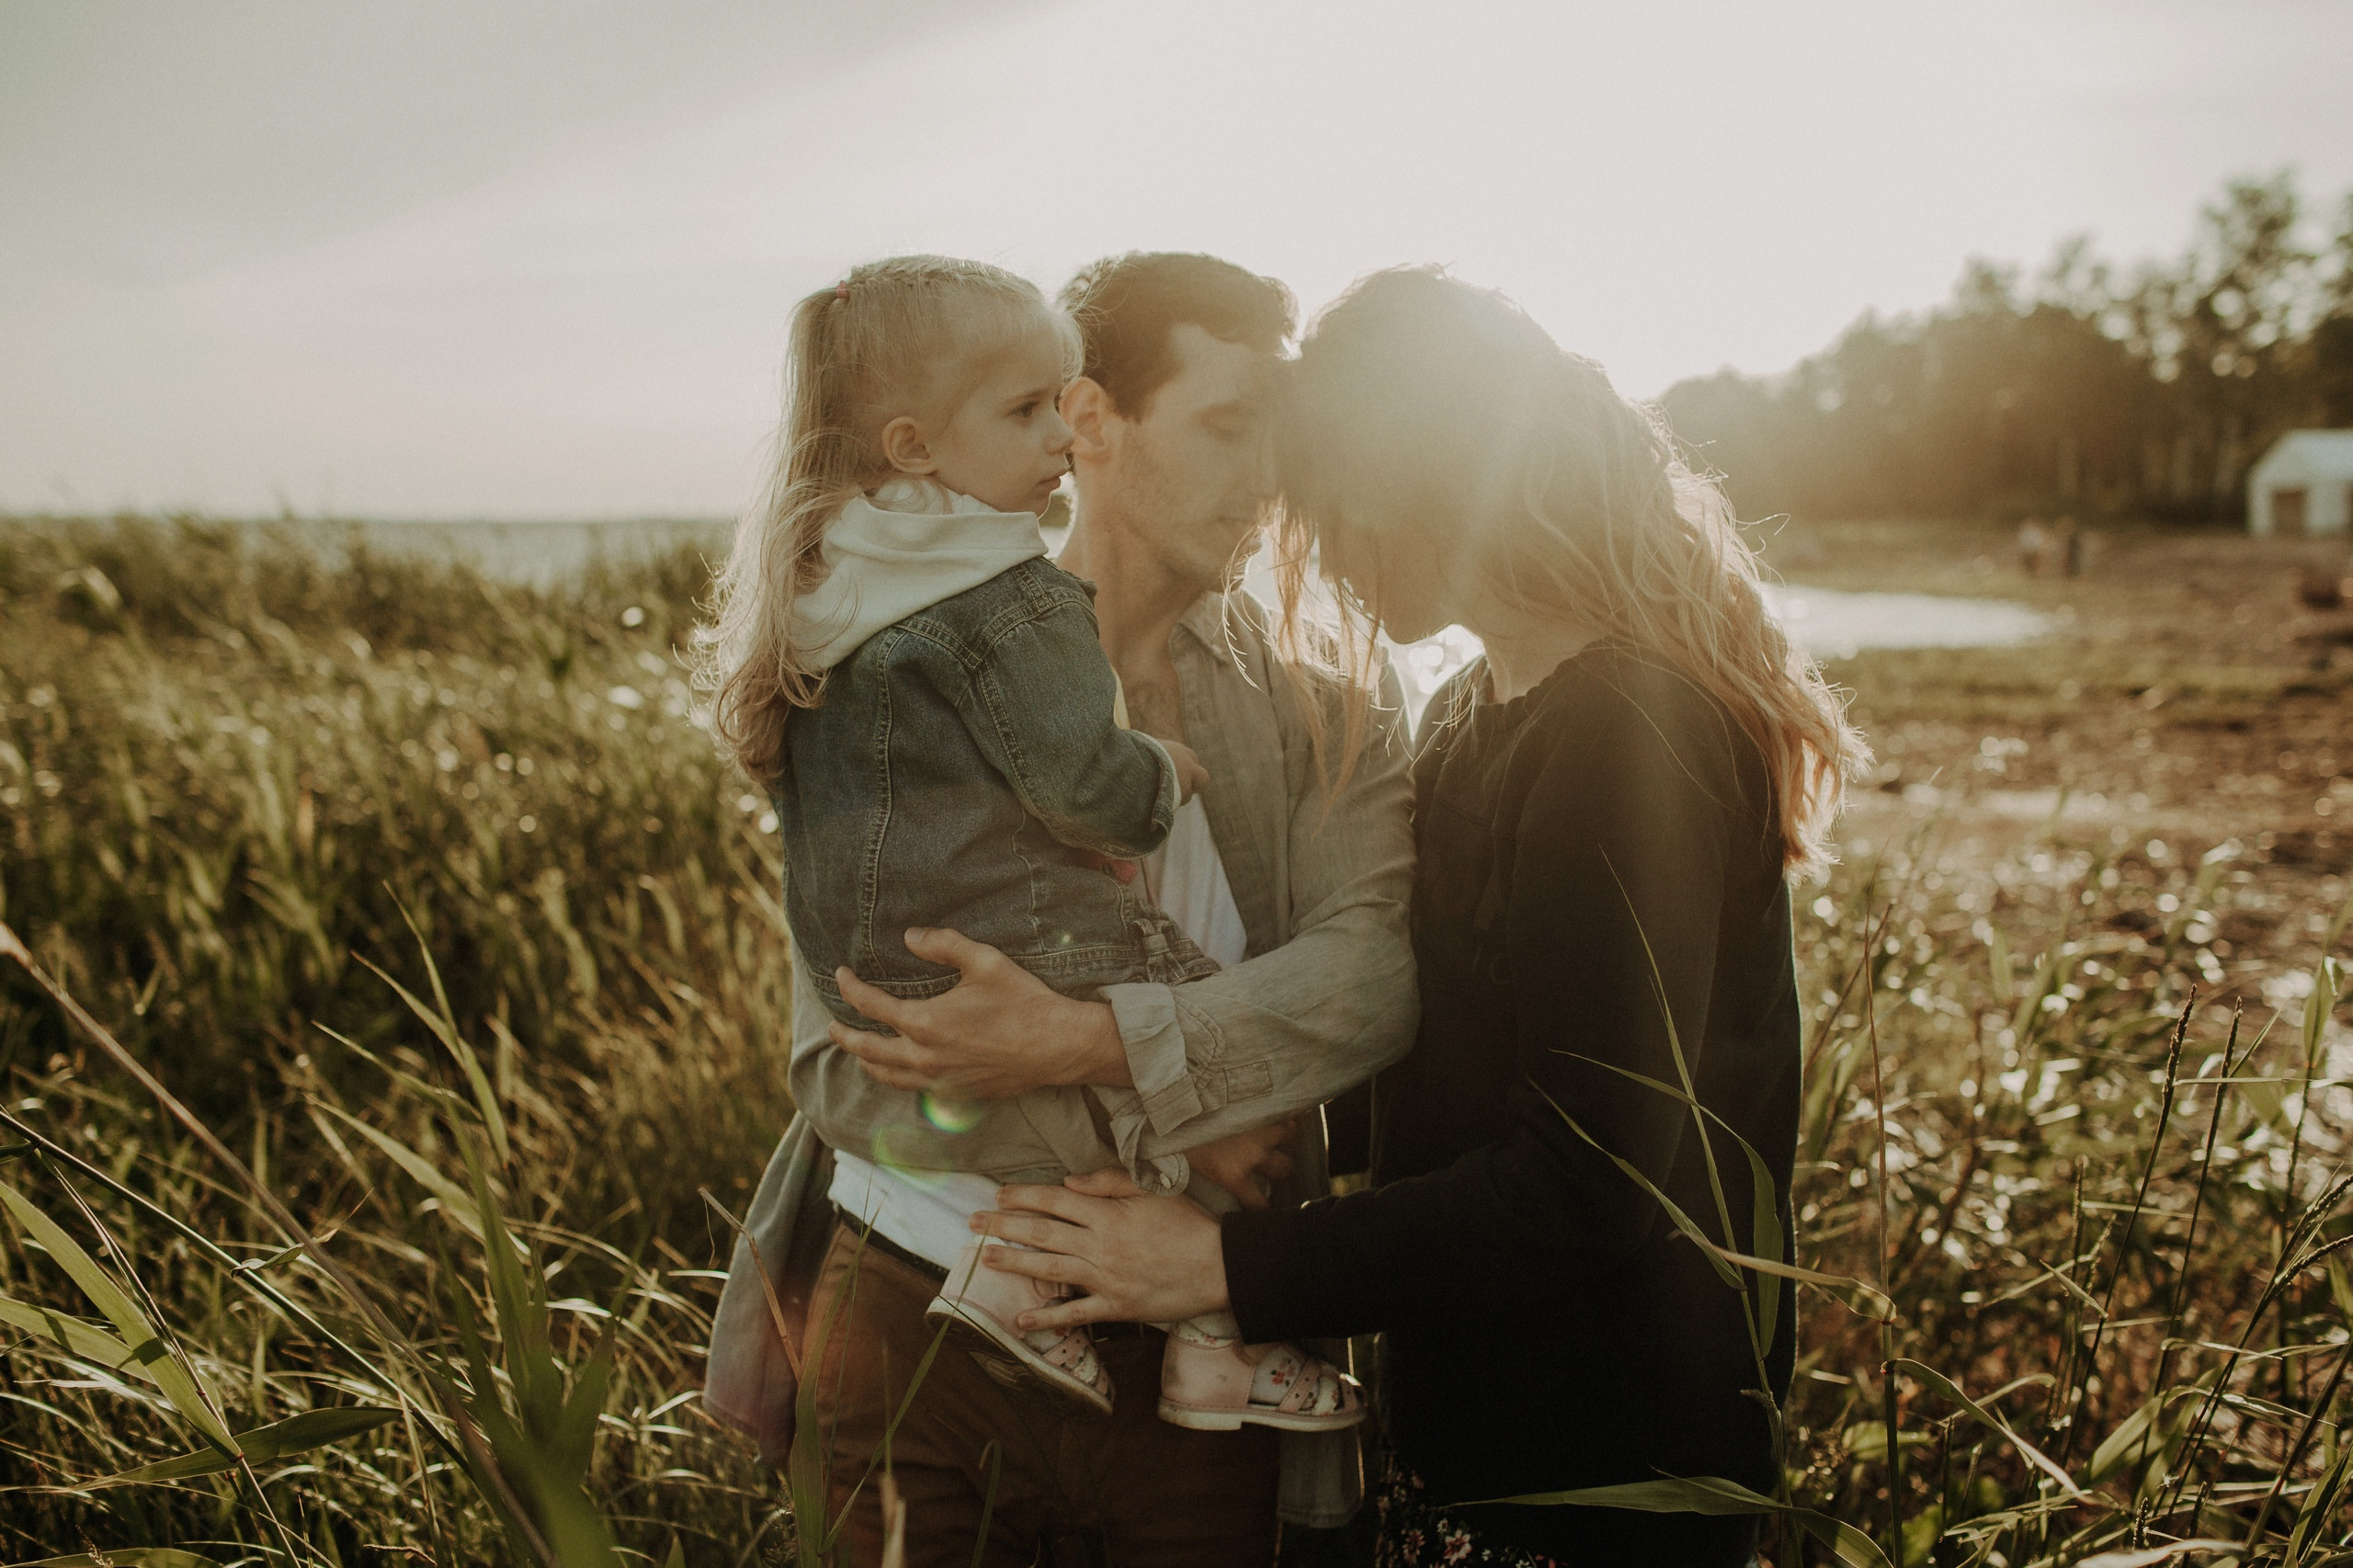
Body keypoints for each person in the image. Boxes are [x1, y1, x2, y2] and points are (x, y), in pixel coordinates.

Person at [975, 267, 1869, 1567]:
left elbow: (1595, 1173)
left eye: (1320, 489)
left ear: (1418, 473)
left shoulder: (1627, 731)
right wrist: (1238, 1135)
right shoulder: (1469, 720)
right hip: (1472, 1441)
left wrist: (1226, 1269)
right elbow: (1443, 1085)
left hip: (1612, 1476)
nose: (1305, 537)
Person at [702, 252, 1419, 1566]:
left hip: (1197, 1350)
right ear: (1089, 420)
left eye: (1279, 434)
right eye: (1224, 424)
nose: (1267, 477)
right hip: (912, 1313)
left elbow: (1370, 980)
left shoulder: (1332, 711)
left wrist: (1085, 1044)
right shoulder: (909, 665)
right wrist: (1176, 1116)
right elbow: (847, 1052)